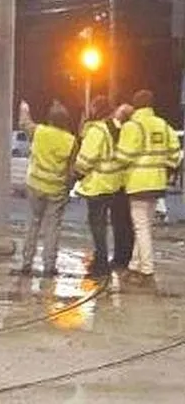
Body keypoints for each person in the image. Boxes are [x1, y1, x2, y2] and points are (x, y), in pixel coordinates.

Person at [115, 90, 182, 290]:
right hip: (157, 183)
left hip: (138, 183)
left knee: (141, 227)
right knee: (144, 227)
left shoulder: (132, 126)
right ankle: (135, 267)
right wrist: (164, 168)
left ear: (135, 106)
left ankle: (147, 271)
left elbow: (124, 156)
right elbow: (176, 155)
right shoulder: (164, 125)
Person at [17, 99, 78, 277]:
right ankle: (49, 266)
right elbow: (71, 169)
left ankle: (26, 264)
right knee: (53, 228)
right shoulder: (71, 141)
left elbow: (23, 123)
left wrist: (25, 108)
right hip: (56, 189)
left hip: (35, 185)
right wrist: (68, 189)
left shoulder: (39, 131)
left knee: (33, 224)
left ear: (49, 119)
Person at [73, 95, 124, 278]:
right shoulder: (118, 129)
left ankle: (101, 261)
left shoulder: (97, 131)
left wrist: (76, 173)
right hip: (115, 183)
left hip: (97, 185)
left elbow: (86, 159)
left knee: (98, 226)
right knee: (115, 224)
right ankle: (115, 258)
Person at [109, 103, 135, 271]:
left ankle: (120, 258)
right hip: (132, 182)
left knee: (120, 223)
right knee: (129, 223)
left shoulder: (121, 132)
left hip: (120, 182)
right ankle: (127, 256)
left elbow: (119, 157)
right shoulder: (135, 131)